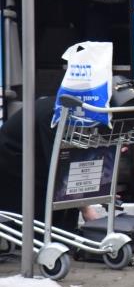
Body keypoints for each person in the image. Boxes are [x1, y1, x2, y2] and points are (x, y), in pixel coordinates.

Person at [0, 96, 95, 232]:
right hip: (14, 167)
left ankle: (64, 235)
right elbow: (61, 168)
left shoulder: (67, 110)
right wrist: (86, 208)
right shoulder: (53, 116)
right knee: (37, 222)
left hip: (33, 160)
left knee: (62, 205)